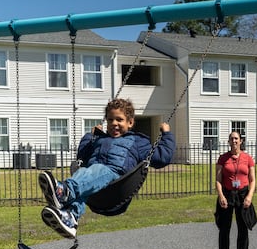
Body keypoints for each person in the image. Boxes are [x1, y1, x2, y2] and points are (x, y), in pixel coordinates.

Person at [39, 98, 175, 238]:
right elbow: (82, 155)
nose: (114, 123)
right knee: (85, 174)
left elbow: (162, 158)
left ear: (130, 122)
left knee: (97, 170)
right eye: (110, 120)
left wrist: (167, 134)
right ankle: (70, 218)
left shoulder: (137, 141)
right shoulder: (100, 139)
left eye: (119, 120)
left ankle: (64, 191)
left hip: (117, 182)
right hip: (94, 184)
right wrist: (90, 136)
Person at [214, 131, 256, 249]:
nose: (234, 141)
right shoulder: (223, 158)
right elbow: (218, 180)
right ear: (228, 141)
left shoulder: (248, 158)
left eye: (236, 139)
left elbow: (252, 180)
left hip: (242, 194)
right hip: (227, 193)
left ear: (241, 141)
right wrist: (221, 196)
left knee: (243, 227)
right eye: (231, 139)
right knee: (224, 228)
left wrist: (249, 196)